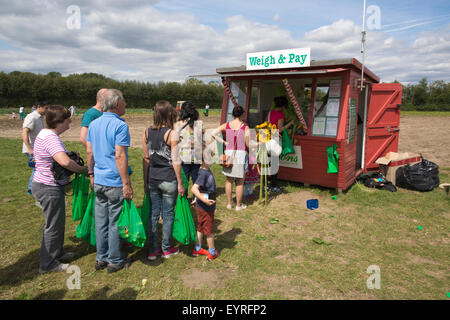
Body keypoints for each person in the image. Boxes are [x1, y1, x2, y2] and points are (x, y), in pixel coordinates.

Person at [31, 105, 87, 274]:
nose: (70, 120)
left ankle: (58, 252)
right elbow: (64, 162)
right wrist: (82, 169)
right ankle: (47, 264)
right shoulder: (50, 138)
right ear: (59, 121)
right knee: (53, 225)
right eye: (67, 118)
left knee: (58, 222)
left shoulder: (46, 134)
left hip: (47, 185)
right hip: (48, 187)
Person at [86, 89, 133, 273]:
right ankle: (114, 260)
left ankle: (101, 257)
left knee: (101, 220)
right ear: (116, 104)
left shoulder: (94, 124)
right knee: (114, 221)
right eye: (124, 101)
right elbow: (120, 156)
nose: (126, 104)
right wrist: (126, 183)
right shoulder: (120, 126)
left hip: (98, 180)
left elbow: (89, 153)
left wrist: (91, 174)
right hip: (114, 181)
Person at [142, 100, 185, 261]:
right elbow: (175, 160)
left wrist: (145, 180)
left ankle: (153, 250)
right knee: (167, 215)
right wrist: (180, 183)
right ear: (169, 114)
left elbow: (145, 158)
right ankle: (166, 248)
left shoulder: (146, 132)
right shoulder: (172, 134)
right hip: (168, 179)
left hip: (153, 179)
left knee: (153, 215)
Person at [212, 105, 250, 211]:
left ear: (233, 114)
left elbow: (213, 133)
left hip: (228, 153)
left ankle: (229, 204)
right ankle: (238, 205)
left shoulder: (227, 125)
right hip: (241, 154)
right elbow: (248, 144)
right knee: (240, 181)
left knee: (229, 180)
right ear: (242, 114)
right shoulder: (245, 127)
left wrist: (223, 142)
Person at [191, 143, 218, 260]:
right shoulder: (203, 173)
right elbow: (194, 188)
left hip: (201, 205)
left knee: (200, 227)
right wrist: (204, 201)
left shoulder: (204, 170)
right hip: (206, 207)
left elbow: (201, 189)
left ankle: (197, 248)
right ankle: (212, 251)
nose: (211, 159)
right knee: (209, 230)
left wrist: (196, 199)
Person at [266, 96, 294, 193]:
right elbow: (280, 129)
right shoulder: (280, 115)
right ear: (283, 106)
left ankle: (266, 185)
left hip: (267, 138)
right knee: (274, 163)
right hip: (275, 139)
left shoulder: (270, 113)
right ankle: (274, 186)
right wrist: (290, 123)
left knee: (268, 162)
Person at [174, 101, 201, 199]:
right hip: (196, 156)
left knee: (183, 179)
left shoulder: (177, 124)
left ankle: (183, 198)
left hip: (182, 156)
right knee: (196, 180)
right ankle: (196, 198)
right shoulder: (198, 124)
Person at [22, 101, 49, 195]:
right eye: (46, 108)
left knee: (38, 167)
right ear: (39, 107)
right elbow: (24, 132)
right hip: (32, 149)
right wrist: (29, 148)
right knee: (38, 168)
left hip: (37, 148)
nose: (47, 110)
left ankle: (32, 188)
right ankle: (31, 189)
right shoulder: (32, 117)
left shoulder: (40, 117)